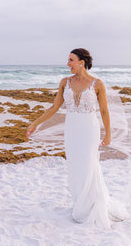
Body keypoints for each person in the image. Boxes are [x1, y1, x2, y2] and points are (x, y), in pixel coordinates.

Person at [26, 48, 114, 227]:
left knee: (89, 164)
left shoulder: (97, 84)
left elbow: (104, 111)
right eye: (68, 60)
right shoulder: (64, 82)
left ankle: (92, 205)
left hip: (90, 130)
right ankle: (80, 203)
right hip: (72, 130)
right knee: (75, 166)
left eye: (71, 60)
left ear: (82, 62)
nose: (68, 64)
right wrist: (35, 123)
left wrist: (108, 134)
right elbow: (54, 107)